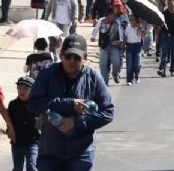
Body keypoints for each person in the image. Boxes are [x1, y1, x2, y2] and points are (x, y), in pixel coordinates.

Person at [28, 34, 114, 170]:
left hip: (81, 152)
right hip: (50, 150)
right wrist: (68, 103)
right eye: (68, 56)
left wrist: (75, 122)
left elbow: (108, 113)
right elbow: (33, 104)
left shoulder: (93, 77)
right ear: (61, 56)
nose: (72, 61)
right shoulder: (47, 73)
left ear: (85, 58)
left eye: (77, 57)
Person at [8, 76, 38, 171]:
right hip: (17, 142)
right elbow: (9, 122)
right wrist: (9, 130)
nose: (22, 91)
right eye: (19, 87)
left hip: (33, 142)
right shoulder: (12, 104)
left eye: (26, 88)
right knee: (17, 168)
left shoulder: (36, 104)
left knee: (32, 166)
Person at [91, 8, 124, 85]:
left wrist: (121, 42)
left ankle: (115, 74)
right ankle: (104, 82)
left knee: (116, 63)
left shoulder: (117, 22)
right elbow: (96, 29)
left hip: (114, 46)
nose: (115, 16)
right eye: (113, 15)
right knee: (103, 64)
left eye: (116, 15)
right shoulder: (101, 20)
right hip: (104, 45)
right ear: (109, 14)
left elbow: (120, 33)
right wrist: (93, 37)